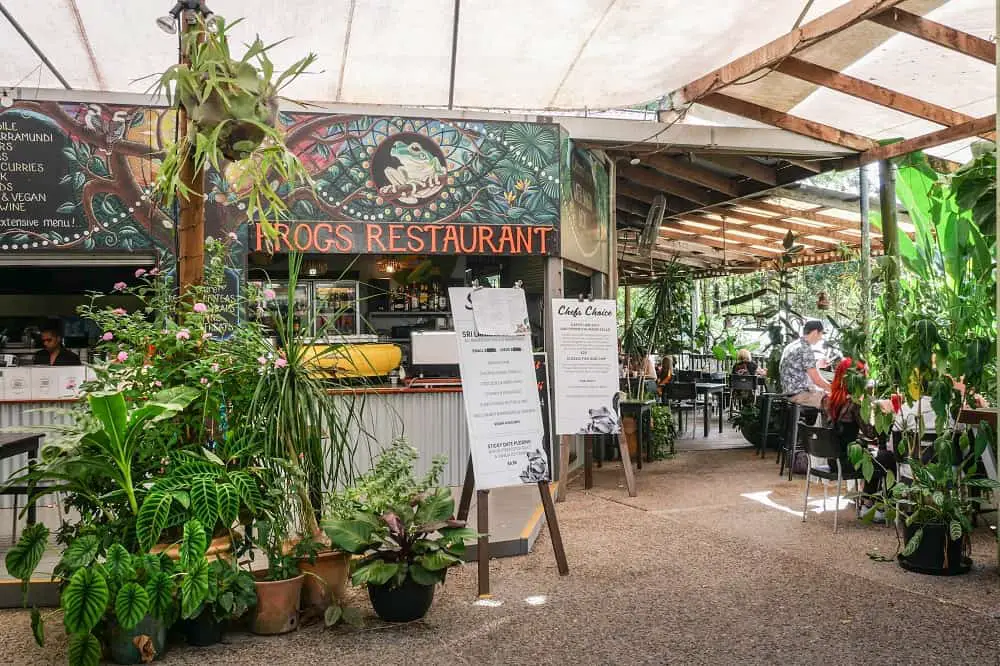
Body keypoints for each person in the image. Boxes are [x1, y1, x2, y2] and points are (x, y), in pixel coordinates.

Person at [824, 358, 895, 519]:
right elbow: (871, 434)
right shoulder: (854, 404)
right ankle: (879, 507)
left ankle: (867, 502)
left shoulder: (829, 400)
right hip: (847, 462)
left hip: (832, 459)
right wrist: (881, 412)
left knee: (872, 455)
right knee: (887, 458)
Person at [779, 320, 831, 410]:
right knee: (836, 401)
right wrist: (835, 389)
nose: (821, 338)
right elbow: (817, 380)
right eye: (821, 334)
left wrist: (817, 365)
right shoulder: (805, 349)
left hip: (788, 392)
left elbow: (797, 369)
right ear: (815, 332)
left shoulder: (792, 345)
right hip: (799, 395)